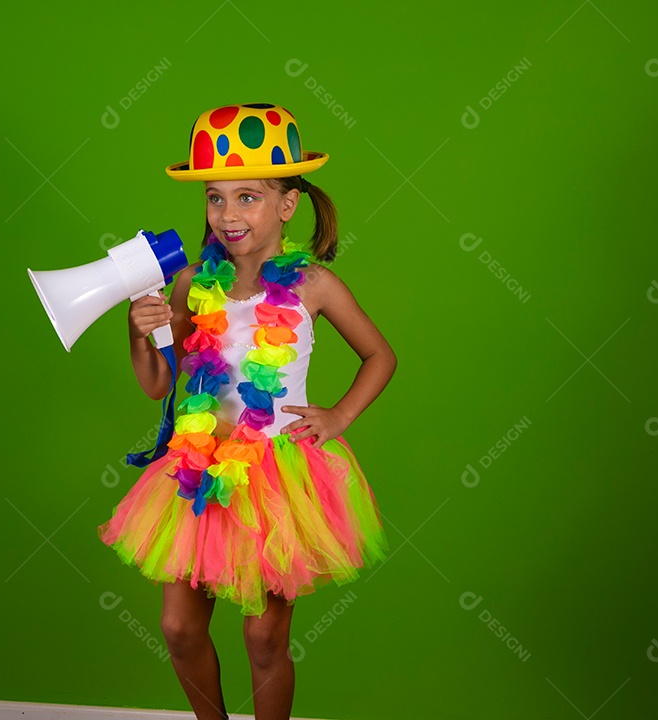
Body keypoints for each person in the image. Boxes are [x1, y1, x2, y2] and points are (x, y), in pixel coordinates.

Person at [98, 102, 395, 720]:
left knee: (265, 638)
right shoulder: (190, 286)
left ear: (287, 205)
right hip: (198, 468)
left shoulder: (313, 285)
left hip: (279, 473)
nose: (227, 215)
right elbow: (159, 386)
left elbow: (380, 356)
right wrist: (137, 333)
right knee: (180, 628)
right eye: (215, 198)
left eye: (248, 198)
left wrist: (338, 417)